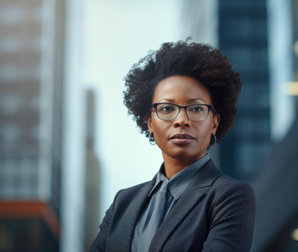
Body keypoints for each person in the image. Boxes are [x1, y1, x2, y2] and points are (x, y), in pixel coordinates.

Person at [89, 41, 256, 252]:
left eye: (196, 109)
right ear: (150, 122)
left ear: (214, 123)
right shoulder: (123, 202)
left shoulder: (230, 196)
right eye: (167, 108)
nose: (181, 120)